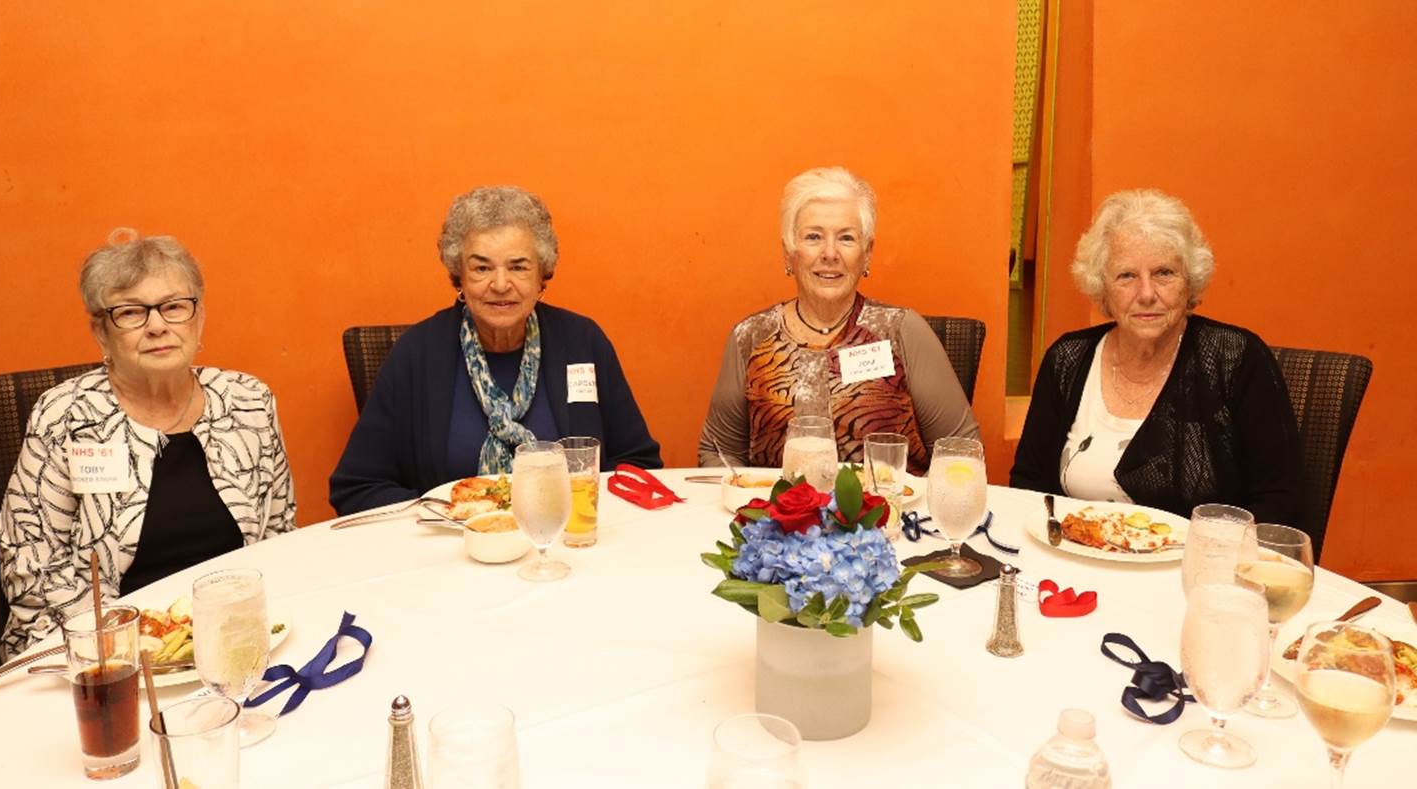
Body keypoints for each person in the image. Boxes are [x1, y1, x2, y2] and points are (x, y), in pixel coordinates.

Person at [0, 230, 296, 659]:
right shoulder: (65, 417)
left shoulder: (248, 401)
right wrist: (128, 647)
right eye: (132, 313)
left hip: (239, 639)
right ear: (102, 332)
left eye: (174, 307)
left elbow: (278, 534)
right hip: (104, 657)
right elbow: (31, 568)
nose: (158, 326)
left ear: (199, 318)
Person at [330, 185, 662, 515]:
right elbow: (358, 486)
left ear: (541, 276)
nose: (501, 284)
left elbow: (638, 463)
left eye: (518, 267)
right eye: (482, 268)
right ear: (459, 276)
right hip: (453, 552)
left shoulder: (582, 342)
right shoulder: (416, 355)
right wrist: (444, 516)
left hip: (567, 543)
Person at [1010, 189, 1302, 529]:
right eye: (1127, 276)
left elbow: (1281, 503)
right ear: (1102, 288)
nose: (1147, 294)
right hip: (1079, 561)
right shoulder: (1068, 360)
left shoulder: (1235, 359)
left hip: (1199, 571)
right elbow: (1028, 487)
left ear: (1189, 281)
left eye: (1164, 273)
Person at [698, 166, 978, 474]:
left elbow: (960, 450)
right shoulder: (752, 336)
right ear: (789, 252)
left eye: (846, 238)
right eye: (813, 237)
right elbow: (719, 453)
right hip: (778, 519)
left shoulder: (901, 332)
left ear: (867, 254)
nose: (830, 253)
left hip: (891, 516)